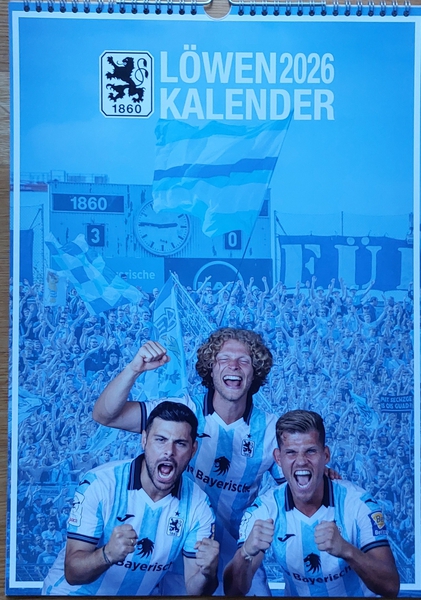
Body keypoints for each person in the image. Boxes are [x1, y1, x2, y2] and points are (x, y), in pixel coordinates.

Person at [92, 328, 337, 595]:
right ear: (211, 367)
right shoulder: (181, 413)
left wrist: (322, 475)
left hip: (235, 557)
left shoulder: (269, 431)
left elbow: (300, 484)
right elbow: (106, 415)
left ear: (255, 371)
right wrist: (134, 369)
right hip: (171, 557)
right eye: (224, 359)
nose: (234, 366)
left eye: (244, 360)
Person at [42, 402, 219, 596]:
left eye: (180, 443)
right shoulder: (101, 484)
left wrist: (207, 573)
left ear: (193, 450)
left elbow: (195, 590)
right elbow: (72, 572)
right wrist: (107, 554)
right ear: (144, 440)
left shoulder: (199, 504)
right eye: (160, 440)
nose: (169, 451)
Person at [223, 410, 400, 597]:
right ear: (278, 459)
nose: (301, 461)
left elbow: (391, 587)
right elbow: (233, 591)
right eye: (291, 452)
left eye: (310, 451)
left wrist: (348, 551)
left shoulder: (358, 504)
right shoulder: (264, 510)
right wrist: (245, 553)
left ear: (326, 455)